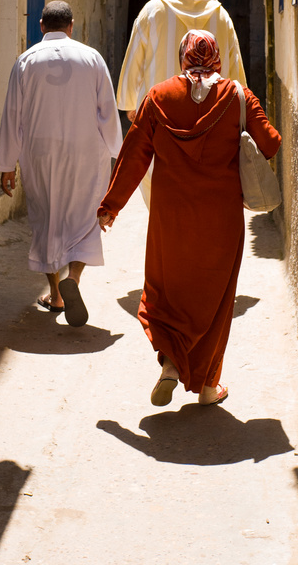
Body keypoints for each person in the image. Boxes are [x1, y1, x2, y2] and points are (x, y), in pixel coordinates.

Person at [99, 29, 280, 406]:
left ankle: (169, 362)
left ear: (183, 57)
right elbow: (270, 142)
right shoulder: (237, 96)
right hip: (221, 219)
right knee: (216, 300)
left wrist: (111, 205)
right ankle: (209, 387)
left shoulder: (159, 97)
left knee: (167, 290)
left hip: (170, 218)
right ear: (215, 56)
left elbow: (133, 156)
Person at [0, 0, 122, 327]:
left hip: (40, 153)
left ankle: (55, 294)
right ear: (71, 25)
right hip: (84, 151)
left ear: (41, 26)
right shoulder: (91, 58)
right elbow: (107, 109)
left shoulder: (25, 61)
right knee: (83, 215)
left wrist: (7, 164)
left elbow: (13, 115)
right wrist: (116, 152)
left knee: (47, 217)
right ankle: (74, 280)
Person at [115, 0, 246, 205]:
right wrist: (239, 109)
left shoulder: (152, 11)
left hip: (162, 117)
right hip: (212, 117)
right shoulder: (220, 13)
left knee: (162, 193)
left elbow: (134, 60)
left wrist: (130, 104)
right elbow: (235, 65)